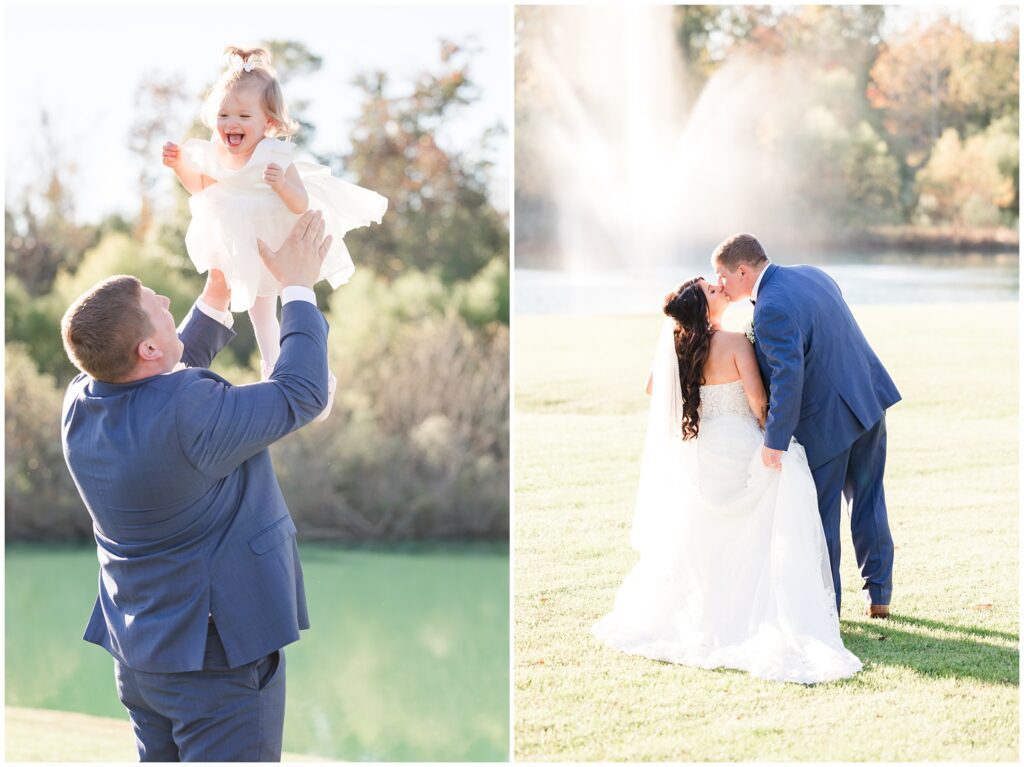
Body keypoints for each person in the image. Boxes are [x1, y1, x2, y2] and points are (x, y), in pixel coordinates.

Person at [61, 211, 333, 761]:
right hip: (215, 664)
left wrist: (216, 296)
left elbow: (161, 375)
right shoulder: (188, 413)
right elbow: (301, 391)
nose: (167, 305)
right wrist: (298, 286)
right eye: (158, 307)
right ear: (146, 350)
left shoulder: (81, 401)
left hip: (143, 658)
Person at [592, 278, 863, 684]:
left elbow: (654, 387)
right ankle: (757, 614)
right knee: (759, 528)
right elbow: (758, 401)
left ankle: (712, 612)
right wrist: (769, 434)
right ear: (705, 309)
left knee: (709, 539)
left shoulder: (680, 343)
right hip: (738, 445)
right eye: (713, 291)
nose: (721, 288)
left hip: (700, 451)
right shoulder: (735, 342)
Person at [162, 45, 387, 393]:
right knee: (257, 305)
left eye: (243, 116)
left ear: (268, 122)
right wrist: (179, 166)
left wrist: (281, 184)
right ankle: (271, 363)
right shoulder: (216, 154)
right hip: (242, 239)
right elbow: (202, 189)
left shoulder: (274, 153)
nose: (231, 123)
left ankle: (314, 368)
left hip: (278, 237)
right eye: (223, 115)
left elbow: (300, 202)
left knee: (292, 298)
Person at [712, 234, 900, 618]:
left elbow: (788, 377)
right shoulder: (812, 274)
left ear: (743, 270)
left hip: (829, 424)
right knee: (869, 500)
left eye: (723, 275)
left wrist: (775, 441)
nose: (721, 284)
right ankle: (879, 596)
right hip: (868, 400)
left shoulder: (770, 308)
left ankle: (828, 608)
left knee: (821, 515)